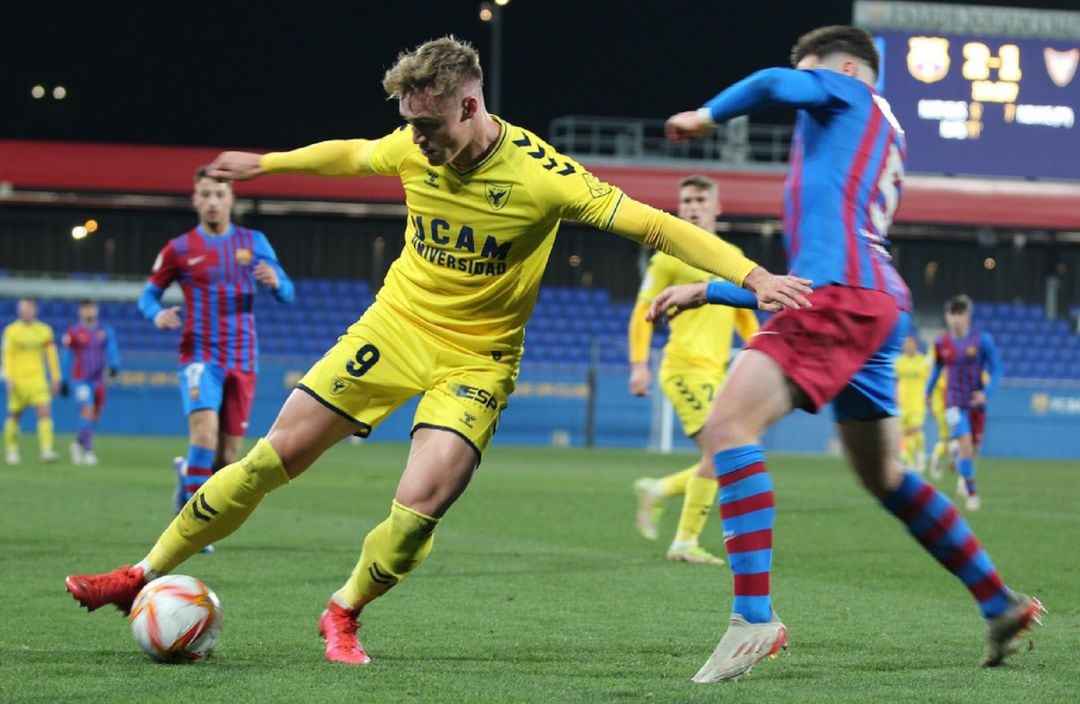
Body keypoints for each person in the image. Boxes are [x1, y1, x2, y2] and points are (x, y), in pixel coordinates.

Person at [65, 36, 811, 666]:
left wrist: (752, 275)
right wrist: (267, 164)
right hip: (392, 328)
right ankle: (141, 573)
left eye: (429, 126)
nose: (416, 141)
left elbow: (655, 226)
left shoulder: (542, 177)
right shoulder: (412, 144)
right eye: (410, 126)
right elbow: (353, 155)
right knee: (267, 460)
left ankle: (344, 609)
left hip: (479, 358)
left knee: (420, 507)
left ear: (470, 106)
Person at [652, 25, 1042, 683]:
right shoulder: (867, 136)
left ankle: (754, 618)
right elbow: (806, 275)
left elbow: (775, 84)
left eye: (817, 75)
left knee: (727, 428)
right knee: (884, 476)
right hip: (871, 298)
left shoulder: (850, 96)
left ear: (848, 72)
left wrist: (704, 116)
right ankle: (999, 602)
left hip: (843, 292)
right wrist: (712, 290)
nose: (808, 90)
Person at [136, 168, 295, 522]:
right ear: (195, 199)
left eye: (219, 195)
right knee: (203, 435)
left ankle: (186, 478)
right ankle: (194, 523)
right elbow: (147, 297)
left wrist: (276, 283)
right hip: (199, 355)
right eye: (205, 194)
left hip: (242, 356)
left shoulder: (254, 242)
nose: (212, 202)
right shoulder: (179, 249)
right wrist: (155, 315)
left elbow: (288, 292)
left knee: (228, 456)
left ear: (231, 200)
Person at [629, 175, 758, 564]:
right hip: (684, 368)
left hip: (717, 373)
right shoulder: (669, 255)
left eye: (701, 200)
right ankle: (682, 539)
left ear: (716, 207)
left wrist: (758, 352)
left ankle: (660, 492)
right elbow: (641, 312)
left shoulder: (732, 256)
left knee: (729, 454)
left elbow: (744, 317)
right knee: (724, 452)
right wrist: (639, 365)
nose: (693, 206)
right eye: (687, 200)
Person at [926, 295, 1002, 511]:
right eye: (952, 314)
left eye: (960, 314)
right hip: (954, 404)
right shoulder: (941, 343)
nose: (955, 319)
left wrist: (986, 392)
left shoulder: (982, 340)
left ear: (967, 317)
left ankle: (957, 455)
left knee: (974, 448)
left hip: (976, 404)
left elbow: (997, 369)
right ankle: (972, 494)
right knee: (966, 441)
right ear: (947, 317)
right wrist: (927, 393)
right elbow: (937, 369)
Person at [61, 300, 121, 466]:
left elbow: (112, 349)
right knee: (87, 410)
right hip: (81, 380)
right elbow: (67, 356)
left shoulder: (105, 330)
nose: (89, 312)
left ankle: (77, 443)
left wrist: (114, 365)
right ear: (80, 312)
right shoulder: (73, 332)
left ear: (97, 310)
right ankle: (88, 451)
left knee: (95, 414)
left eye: (91, 308)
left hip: (99, 380)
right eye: (85, 309)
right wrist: (64, 379)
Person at [3, 298, 62, 464]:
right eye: (21, 308)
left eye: (27, 308)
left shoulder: (44, 331)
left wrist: (56, 377)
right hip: (18, 380)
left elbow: (51, 355)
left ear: (34, 310)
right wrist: (9, 377)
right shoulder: (11, 331)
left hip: (37, 379)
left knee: (44, 411)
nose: (23, 311)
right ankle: (11, 450)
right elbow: (7, 356)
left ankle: (46, 450)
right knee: (14, 415)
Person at [895, 332, 928, 474]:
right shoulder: (899, 362)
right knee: (905, 433)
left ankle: (921, 456)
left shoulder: (923, 362)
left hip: (918, 402)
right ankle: (910, 462)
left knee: (916, 428)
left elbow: (931, 380)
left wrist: (930, 396)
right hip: (902, 403)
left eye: (911, 343)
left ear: (916, 345)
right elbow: (893, 381)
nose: (908, 346)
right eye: (906, 344)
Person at [926, 349, 950, 479]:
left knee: (958, 439)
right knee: (949, 440)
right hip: (941, 406)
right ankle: (937, 457)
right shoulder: (935, 351)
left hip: (954, 404)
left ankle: (951, 460)